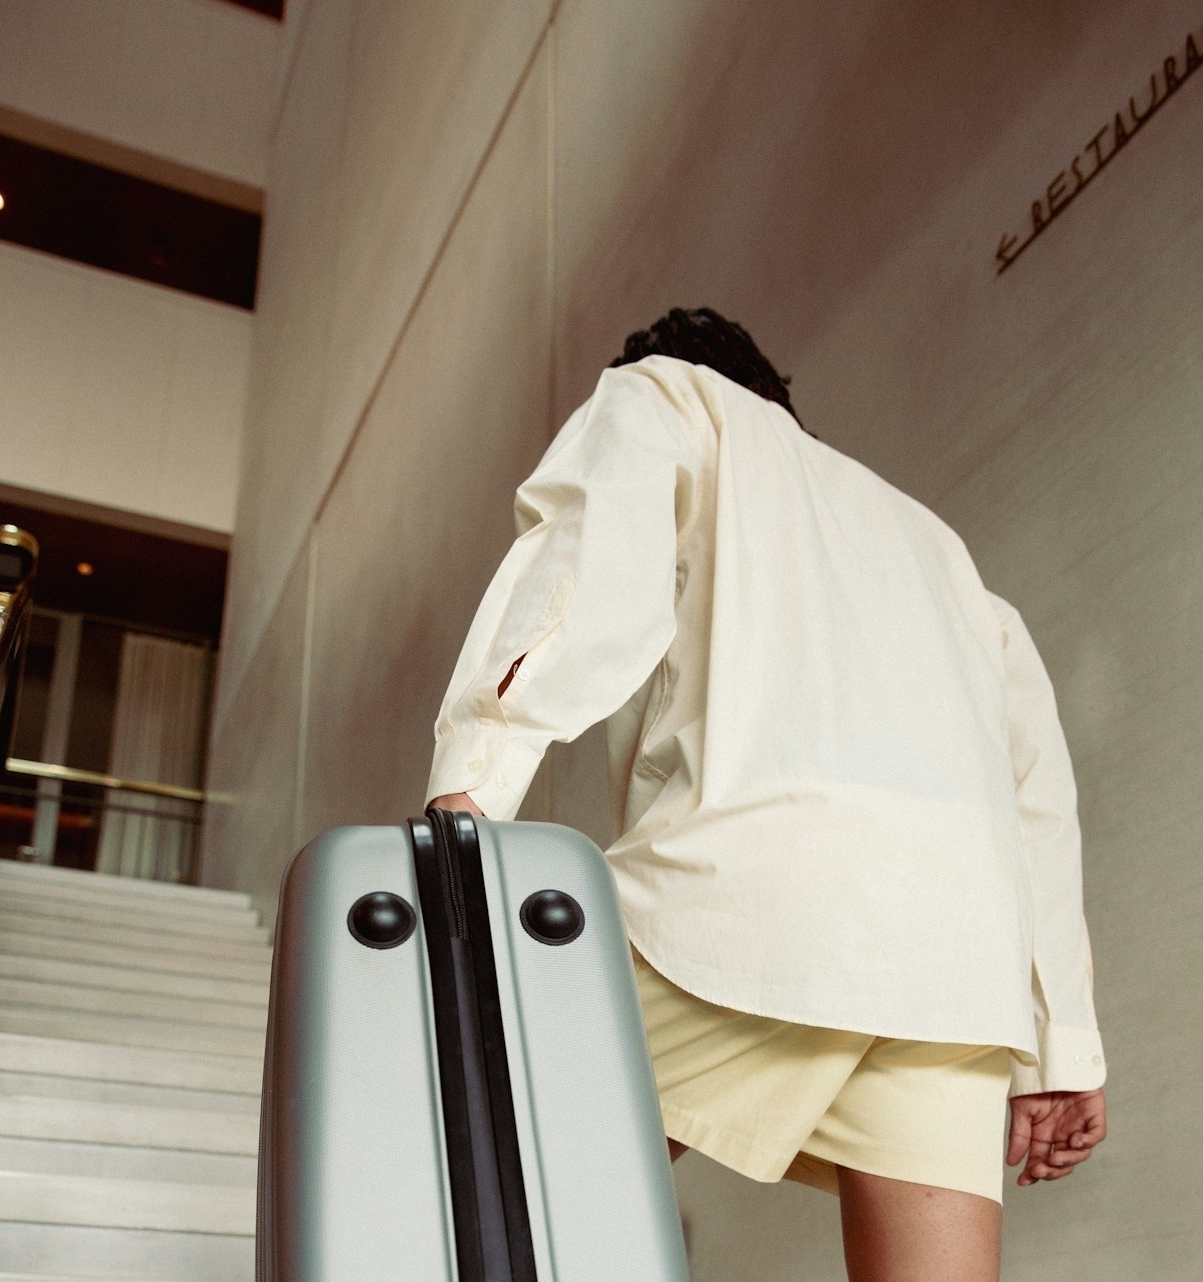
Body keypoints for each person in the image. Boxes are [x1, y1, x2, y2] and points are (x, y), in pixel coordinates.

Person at [426, 307, 1106, 1281]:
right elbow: (1037, 800)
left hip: (749, 900)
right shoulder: (939, 551)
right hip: (957, 964)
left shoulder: (666, 395)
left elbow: (582, 564)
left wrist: (468, 790)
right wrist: (1062, 1053)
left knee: (491, 1201)